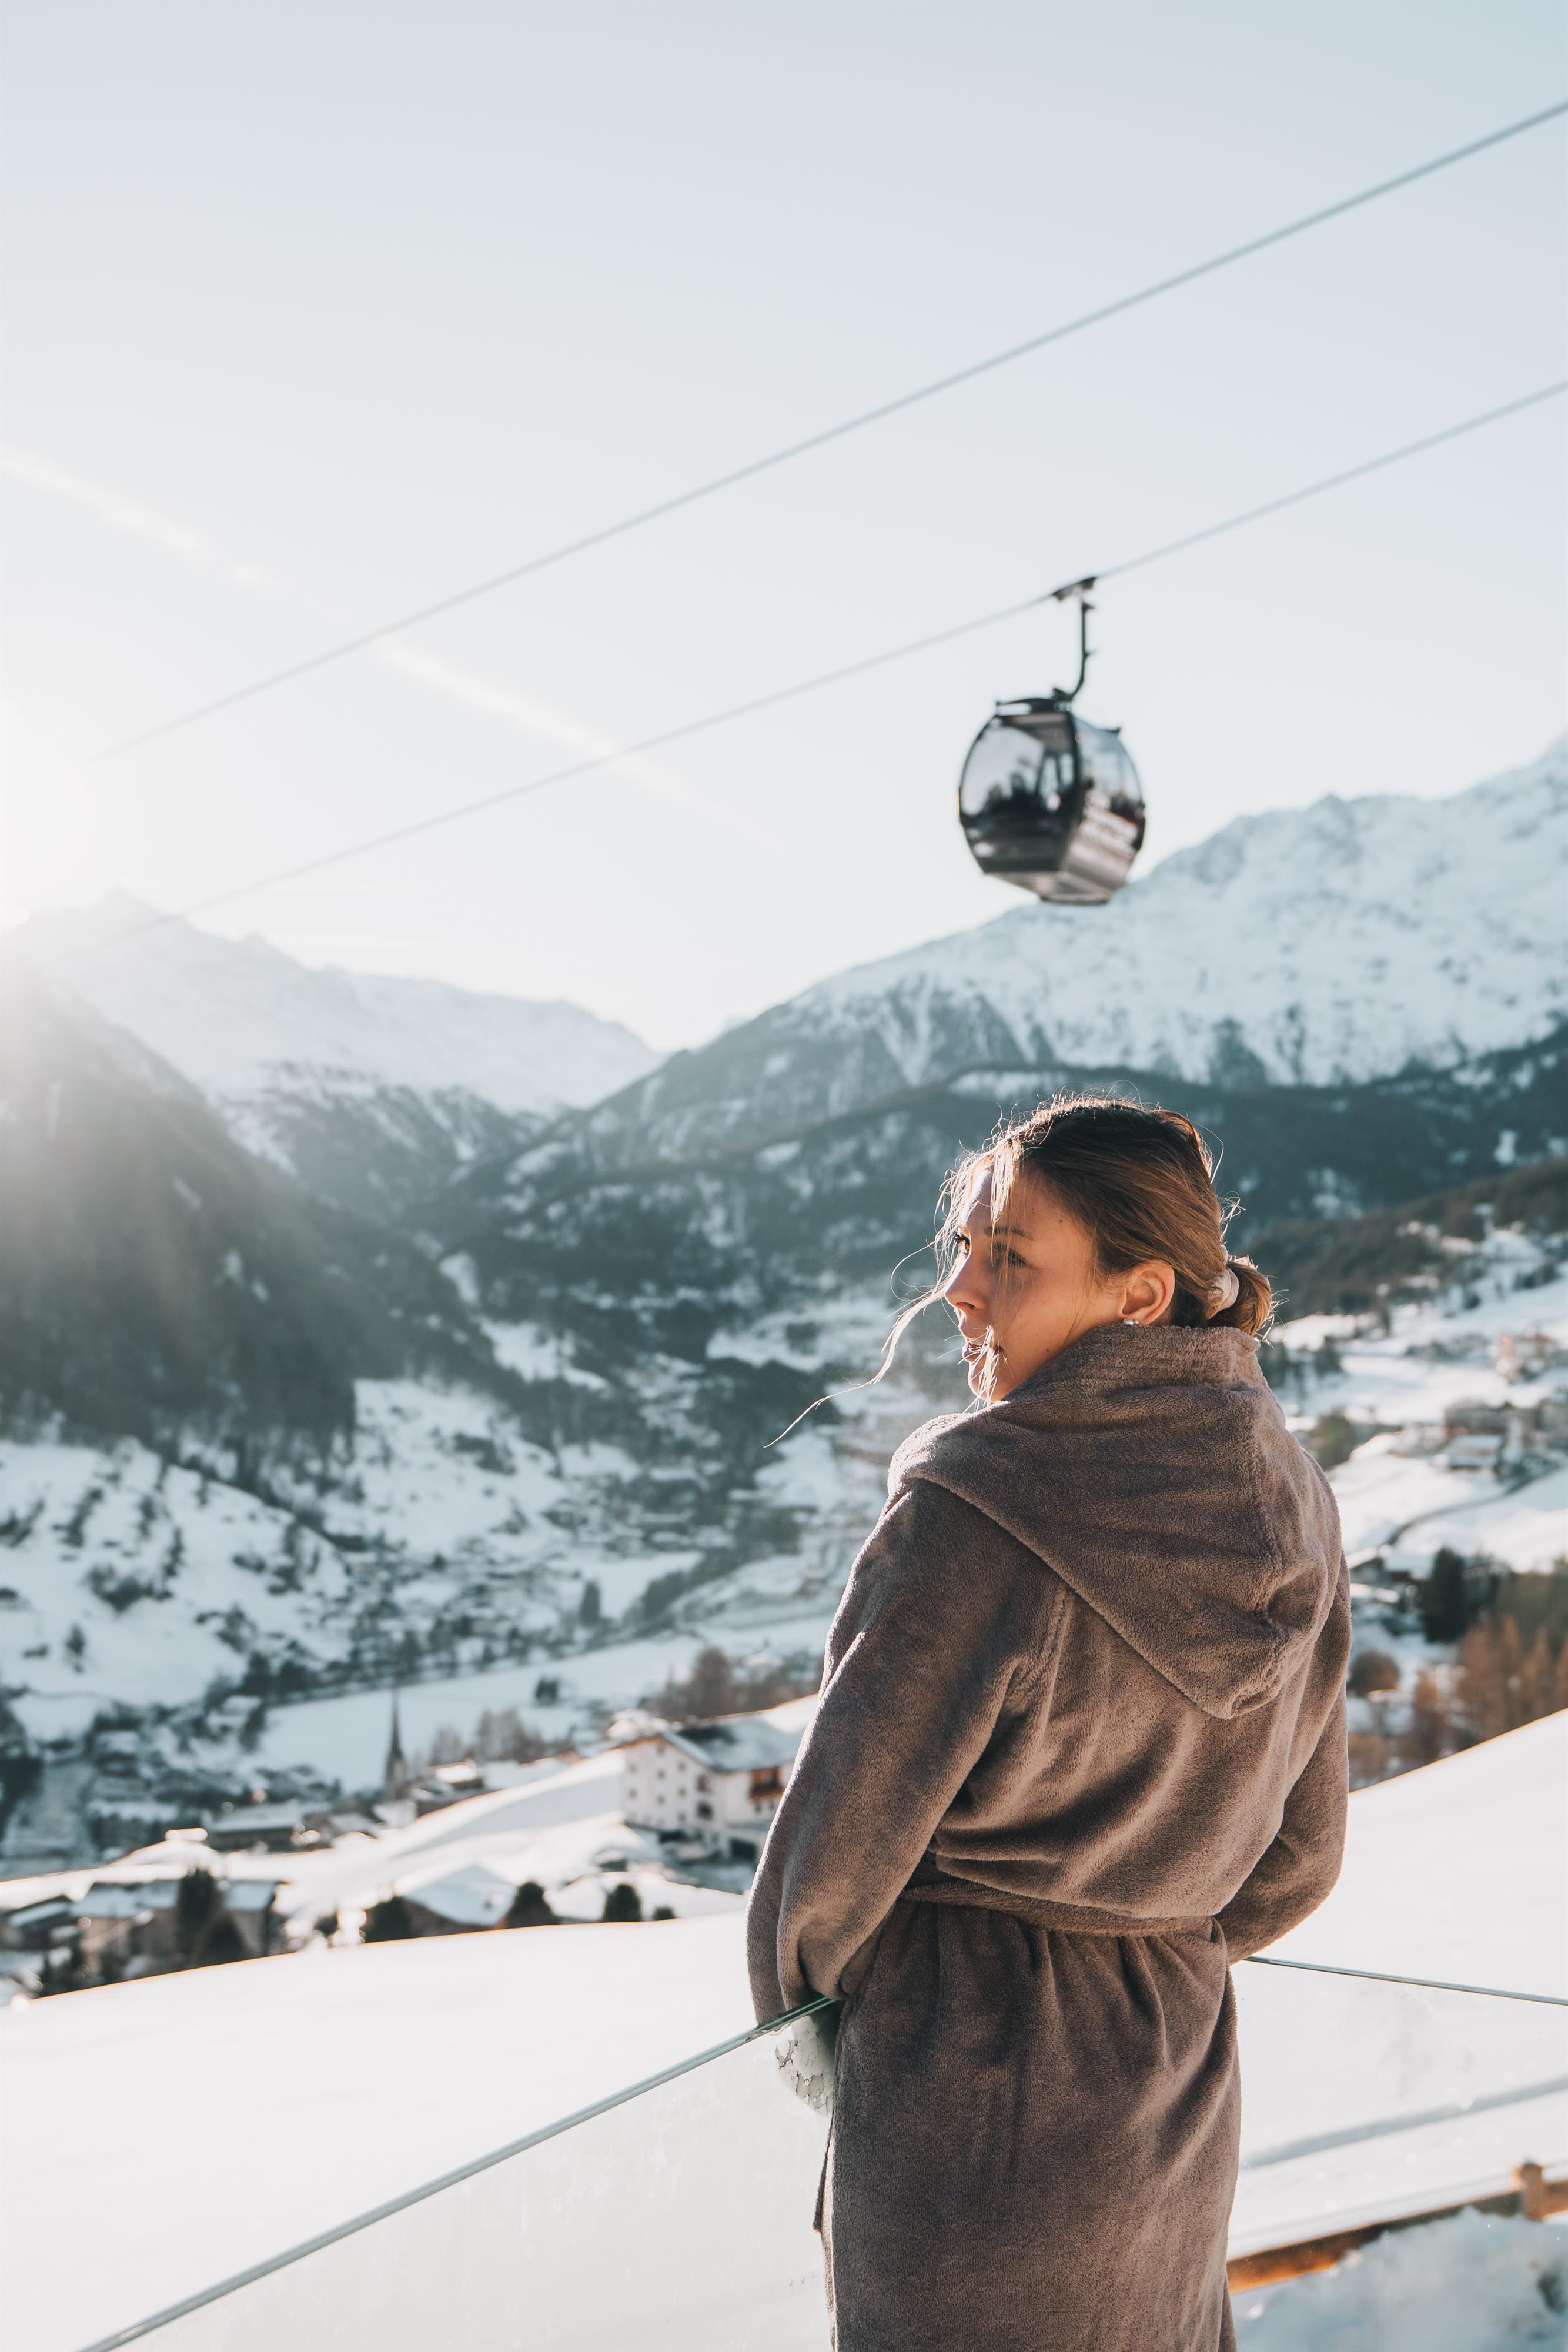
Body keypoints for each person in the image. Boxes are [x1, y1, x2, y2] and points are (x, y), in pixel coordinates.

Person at [747, 1095, 1349, 2352]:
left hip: (962, 2106)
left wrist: (862, 2024)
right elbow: (1300, 1859)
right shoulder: (1296, 1503)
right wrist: (1149, 1932)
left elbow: (825, 1871)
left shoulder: (974, 1510)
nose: (959, 1290)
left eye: (1009, 1257)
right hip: (1173, 2093)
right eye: (965, 1247)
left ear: (1139, 1295)